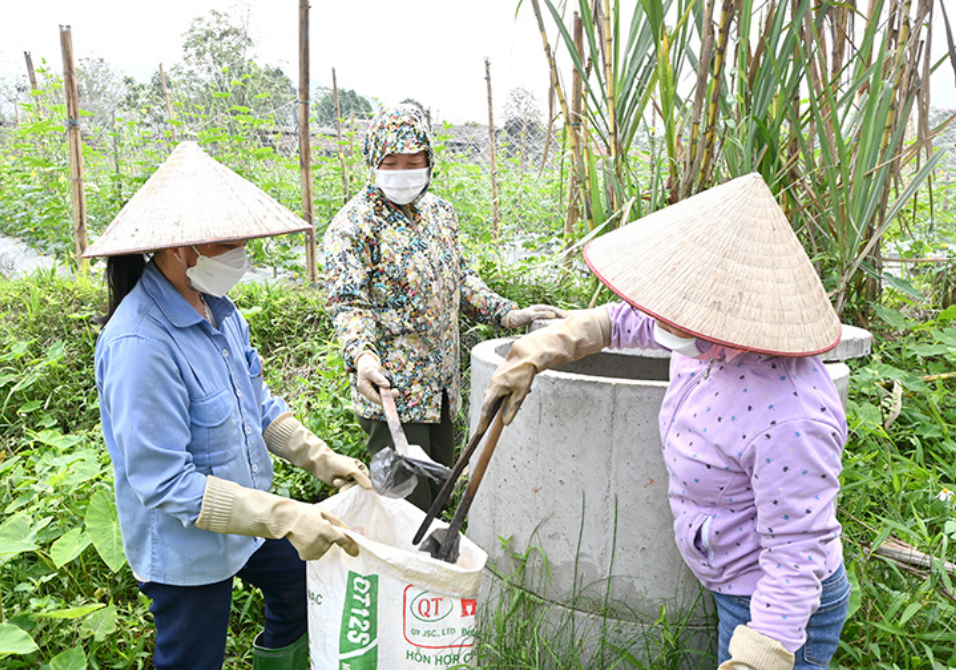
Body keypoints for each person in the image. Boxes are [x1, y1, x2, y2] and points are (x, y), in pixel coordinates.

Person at [480, 173, 850, 670]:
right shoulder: (707, 339)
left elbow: (796, 552)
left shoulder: (789, 417)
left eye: (680, 310)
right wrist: (540, 349)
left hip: (777, 610)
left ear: (731, 311)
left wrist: (760, 655)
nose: (662, 317)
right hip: (732, 578)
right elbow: (628, 321)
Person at [86, 142, 372, 670]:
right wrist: (286, 516)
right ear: (178, 248)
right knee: (192, 659)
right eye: (227, 243)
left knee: (301, 585)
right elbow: (164, 481)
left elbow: (257, 403)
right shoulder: (140, 345)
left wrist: (320, 457)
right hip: (185, 546)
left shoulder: (219, 308)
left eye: (243, 241)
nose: (240, 254)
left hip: (246, 517)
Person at [321, 104, 565, 511]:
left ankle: (435, 573)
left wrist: (505, 312)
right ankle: (406, 574)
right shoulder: (354, 226)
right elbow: (348, 304)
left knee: (438, 499)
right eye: (390, 162)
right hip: (393, 397)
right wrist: (362, 357)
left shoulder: (439, 214)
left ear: (429, 161)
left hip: (441, 392)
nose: (403, 171)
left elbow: (460, 279)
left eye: (413, 161)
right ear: (372, 161)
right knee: (404, 507)